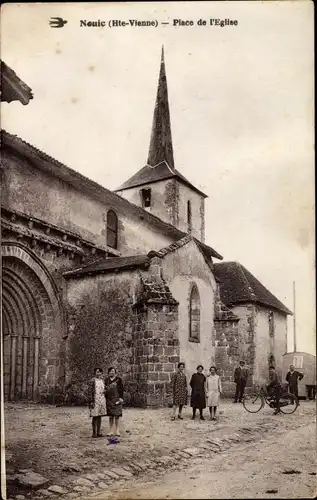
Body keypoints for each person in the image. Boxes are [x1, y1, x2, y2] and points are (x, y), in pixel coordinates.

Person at [88, 367, 107, 438]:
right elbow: (89, 392)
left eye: (100, 372)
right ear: (95, 373)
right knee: (95, 416)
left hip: (102, 399)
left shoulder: (103, 380)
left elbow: (105, 389)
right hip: (95, 399)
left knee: (100, 416)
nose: (98, 373)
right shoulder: (92, 380)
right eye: (97, 372)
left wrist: (105, 391)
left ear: (102, 373)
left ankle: (99, 432)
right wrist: (91, 401)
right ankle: (94, 432)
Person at [104, 367, 124, 437]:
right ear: (108, 372)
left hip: (117, 399)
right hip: (109, 400)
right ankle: (110, 430)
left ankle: (117, 430)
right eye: (110, 371)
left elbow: (121, 389)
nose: (111, 372)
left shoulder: (118, 380)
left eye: (113, 371)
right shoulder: (106, 380)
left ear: (115, 372)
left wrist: (121, 398)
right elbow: (105, 390)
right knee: (111, 416)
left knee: (117, 416)